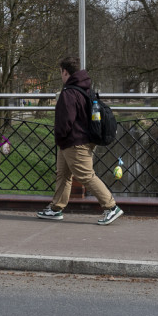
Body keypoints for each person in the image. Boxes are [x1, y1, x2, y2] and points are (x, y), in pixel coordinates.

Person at [36, 56, 123, 225]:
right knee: (63, 174)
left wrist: (59, 135)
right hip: (76, 140)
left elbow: (65, 121)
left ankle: (111, 207)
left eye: (61, 72)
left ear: (65, 72)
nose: (60, 75)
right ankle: (56, 209)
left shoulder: (69, 93)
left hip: (75, 142)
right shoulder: (86, 88)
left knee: (86, 176)